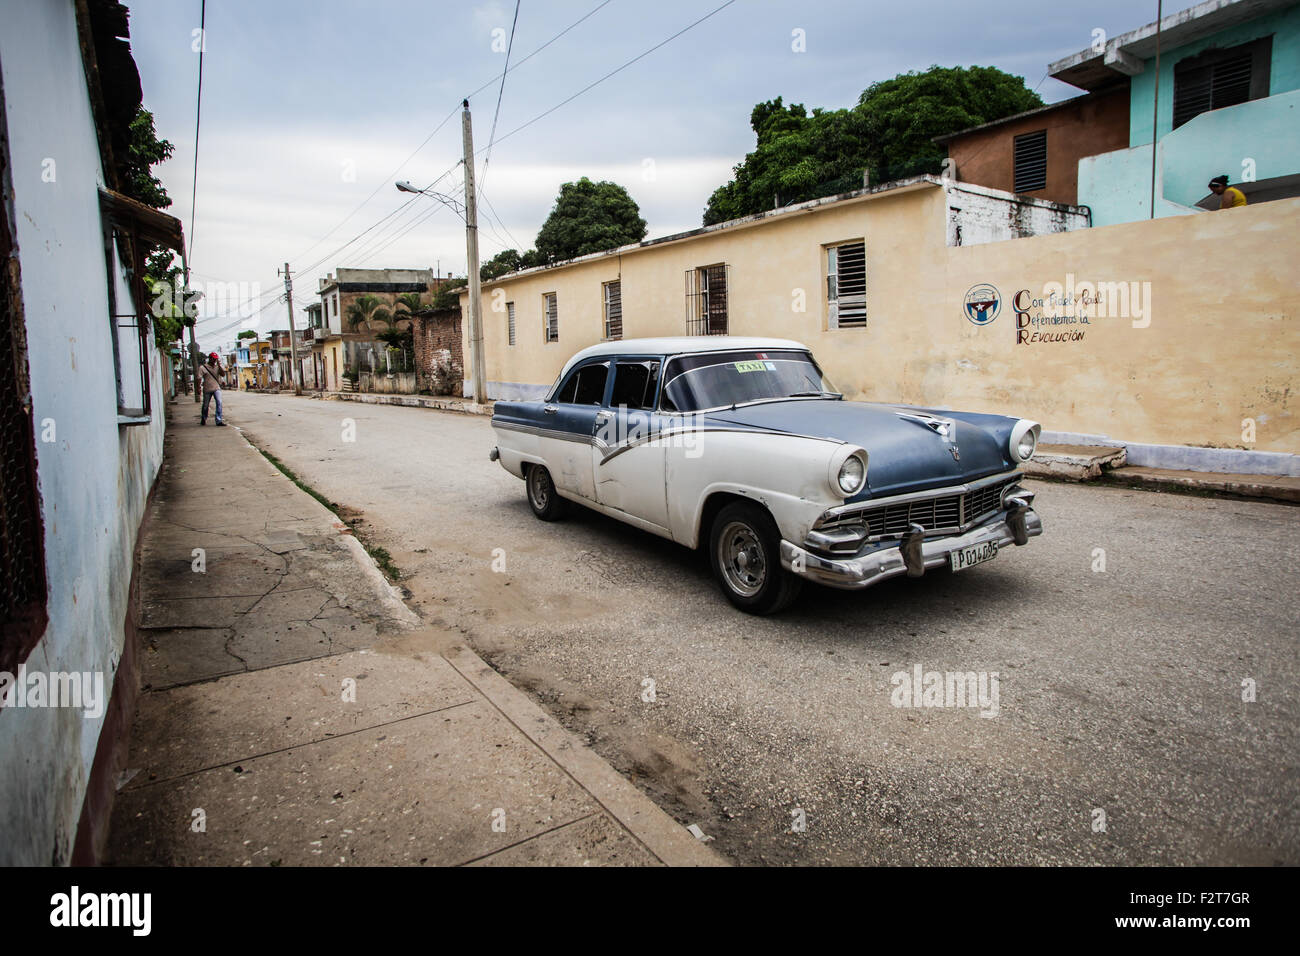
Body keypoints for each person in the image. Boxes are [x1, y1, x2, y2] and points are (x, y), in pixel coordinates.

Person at [200, 352, 226, 426]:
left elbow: (223, 374)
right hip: (207, 389)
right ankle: (204, 418)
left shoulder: (217, 367)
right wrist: (198, 388)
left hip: (216, 388)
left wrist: (219, 365)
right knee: (205, 405)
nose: (214, 360)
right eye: (213, 359)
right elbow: (199, 378)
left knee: (219, 402)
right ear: (210, 358)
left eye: (216, 359)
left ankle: (219, 420)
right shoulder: (203, 367)